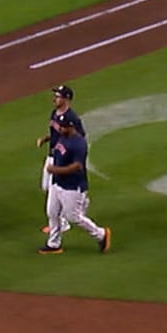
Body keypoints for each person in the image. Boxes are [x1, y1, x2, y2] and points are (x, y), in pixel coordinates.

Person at [39, 113, 111, 254]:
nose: (60, 129)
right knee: (52, 212)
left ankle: (101, 234)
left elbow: (77, 166)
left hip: (72, 186)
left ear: (71, 126)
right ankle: (53, 244)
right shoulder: (62, 136)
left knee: (73, 217)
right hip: (57, 182)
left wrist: (55, 169)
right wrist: (45, 139)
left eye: (64, 126)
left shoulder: (79, 144)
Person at [37, 85, 86, 233]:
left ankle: (62, 222)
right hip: (52, 154)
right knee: (46, 187)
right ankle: (60, 220)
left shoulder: (73, 118)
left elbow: (80, 137)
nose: (54, 98)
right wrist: (46, 138)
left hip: (62, 158)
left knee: (56, 189)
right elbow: (55, 133)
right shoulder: (54, 113)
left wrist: (70, 155)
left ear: (66, 99)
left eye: (58, 96)